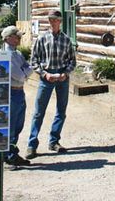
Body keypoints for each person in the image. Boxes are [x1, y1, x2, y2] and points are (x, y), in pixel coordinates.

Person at [26, 9, 76, 160]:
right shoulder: (41, 38)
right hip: (46, 77)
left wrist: (65, 73)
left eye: (55, 20)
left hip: (62, 77)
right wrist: (44, 74)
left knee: (61, 111)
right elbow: (33, 60)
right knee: (38, 112)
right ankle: (32, 145)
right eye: (50, 20)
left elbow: (72, 61)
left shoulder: (67, 40)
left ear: (60, 21)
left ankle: (54, 141)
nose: (52, 22)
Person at [0, 25, 33, 167]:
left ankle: (11, 153)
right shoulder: (4, 54)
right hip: (11, 91)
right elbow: (19, 75)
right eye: (16, 36)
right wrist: (25, 72)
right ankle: (5, 155)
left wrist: (25, 72)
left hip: (19, 91)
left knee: (17, 125)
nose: (19, 38)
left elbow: (28, 69)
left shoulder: (17, 54)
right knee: (10, 125)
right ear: (8, 38)